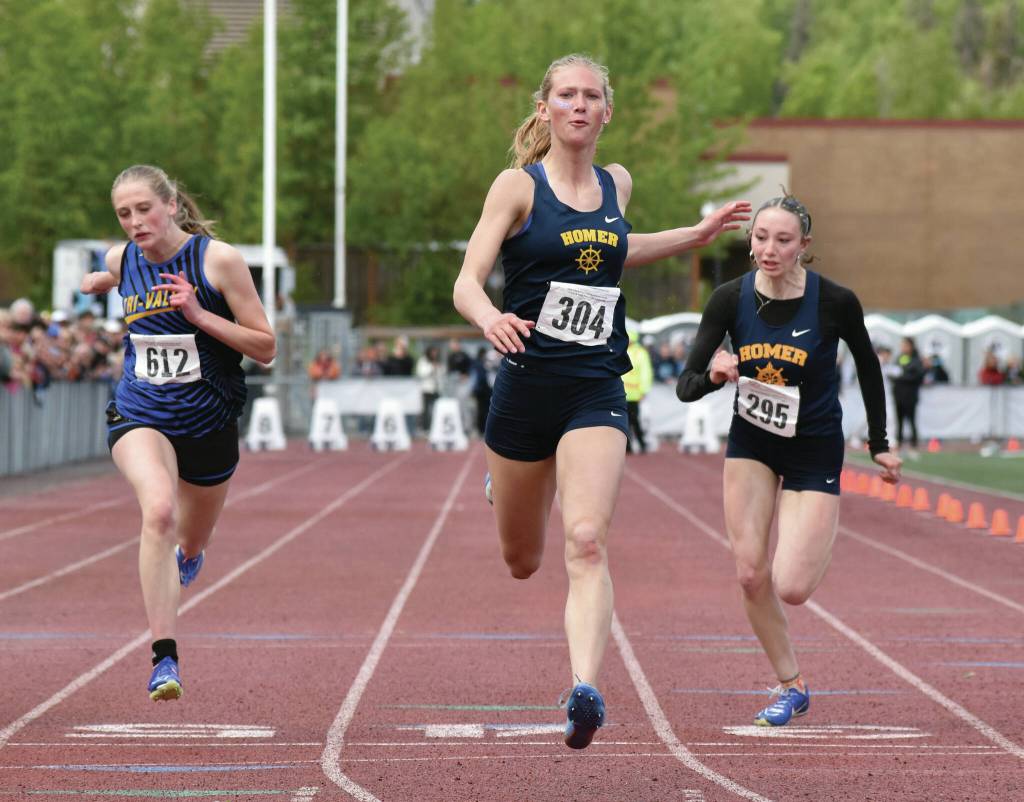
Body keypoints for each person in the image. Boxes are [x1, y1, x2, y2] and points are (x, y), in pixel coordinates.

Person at [452, 53, 750, 749]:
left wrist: (695, 236)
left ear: (607, 111)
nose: (579, 106)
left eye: (591, 96)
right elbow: (468, 279)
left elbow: (615, 249)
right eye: (566, 95)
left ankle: (584, 688)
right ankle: (507, 482)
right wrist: (487, 317)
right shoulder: (516, 188)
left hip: (595, 385)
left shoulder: (618, 184)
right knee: (522, 560)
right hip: (526, 384)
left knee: (586, 539)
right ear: (545, 109)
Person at [676, 192, 901, 727]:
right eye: (759, 238)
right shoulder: (729, 299)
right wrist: (716, 374)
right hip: (752, 443)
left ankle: (816, 528)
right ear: (749, 241)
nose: (768, 249)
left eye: (782, 240)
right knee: (751, 575)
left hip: (813, 446)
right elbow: (686, 386)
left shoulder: (834, 302)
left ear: (804, 245)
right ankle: (791, 684)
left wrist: (880, 443)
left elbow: (869, 369)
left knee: (792, 587)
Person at [80, 164, 275, 702]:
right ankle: (164, 660)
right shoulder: (122, 258)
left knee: (189, 539)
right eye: (124, 214)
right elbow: (118, 274)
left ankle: (190, 554)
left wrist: (196, 313)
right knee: (159, 510)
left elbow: (264, 347)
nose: (135, 222)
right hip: (140, 410)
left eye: (144, 209)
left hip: (209, 420)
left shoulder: (219, 260)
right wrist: (102, 280)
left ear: (170, 205)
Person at [889, 337, 925, 458]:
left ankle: (913, 447)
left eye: (905, 345)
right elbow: (893, 372)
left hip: (910, 396)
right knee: (899, 422)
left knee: (911, 421)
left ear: (911, 346)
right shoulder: (900, 358)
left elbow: (918, 376)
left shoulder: (916, 360)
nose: (903, 347)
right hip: (898, 395)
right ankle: (898, 446)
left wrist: (902, 376)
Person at [622, 329, 653, 453]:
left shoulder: (641, 353)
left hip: (634, 394)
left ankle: (641, 444)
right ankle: (628, 446)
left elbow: (646, 373)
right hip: (623, 393)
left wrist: (643, 391)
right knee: (626, 421)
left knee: (634, 421)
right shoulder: (624, 351)